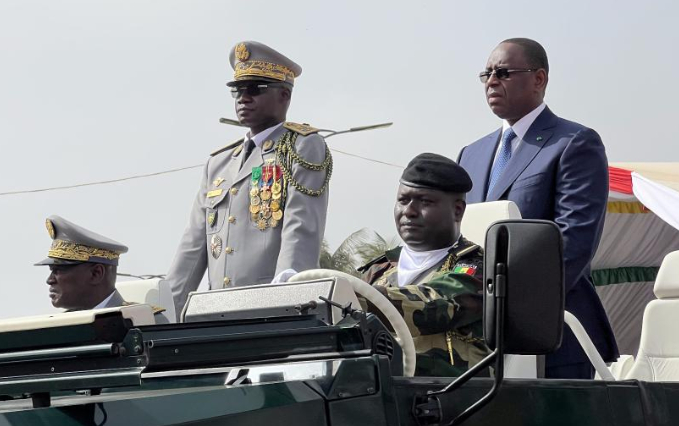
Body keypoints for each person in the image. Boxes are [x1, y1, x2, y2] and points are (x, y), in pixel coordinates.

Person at [456, 38, 618, 378]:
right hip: (478, 339)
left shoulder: (573, 143)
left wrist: (509, 306)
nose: (491, 81)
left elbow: (573, 242)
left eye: (503, 72)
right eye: (486, 74)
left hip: (552, 335)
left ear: (539, 79)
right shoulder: (470, 154)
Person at [167, 41, 332, 314]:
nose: (244, 98)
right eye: (238, 90)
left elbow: (301, 225)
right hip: (215, 309)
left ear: (284, 95)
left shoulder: (302, 146)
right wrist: (165, 310)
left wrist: (289, 294)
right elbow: (194, 243)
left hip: (269, 306)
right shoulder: (218, 163)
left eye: (255, 89)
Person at [359, 153, 489, 377]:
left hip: (454, 396)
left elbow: (435, 305)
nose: (409, 211)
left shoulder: (476, 266)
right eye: (403, 200)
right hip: (381, 394)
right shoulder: (379, 270)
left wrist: (357, 298)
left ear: (457, 210)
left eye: (425, 202)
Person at [35, 215, 133, 311]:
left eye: (58, 270)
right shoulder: (64, 323)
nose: (49, 280)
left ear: (96, 273)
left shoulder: (136, 321)